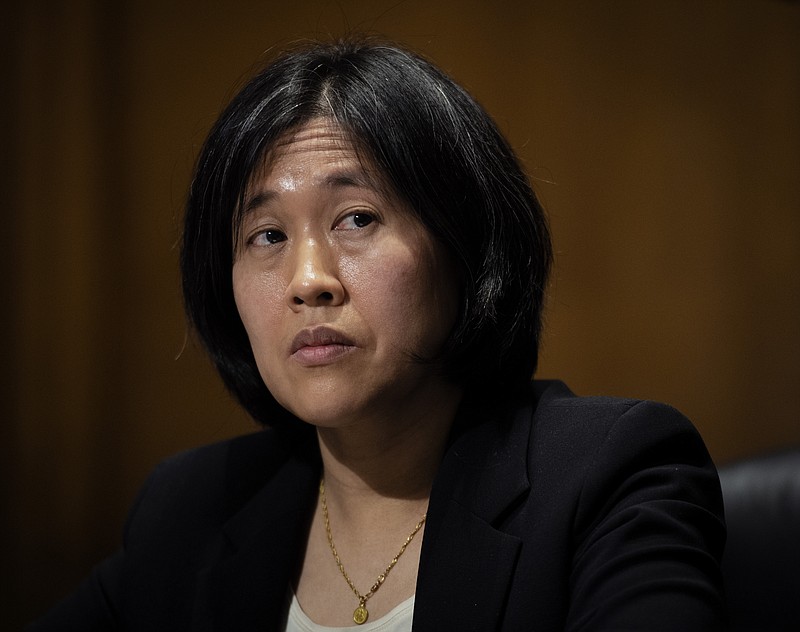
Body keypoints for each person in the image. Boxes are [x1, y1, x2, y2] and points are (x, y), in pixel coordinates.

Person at [29, 37, 726, 631]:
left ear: (464, 246)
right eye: (267, 235)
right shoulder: (188, 509)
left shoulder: (609, 475)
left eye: (356, 219)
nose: (309, 279)